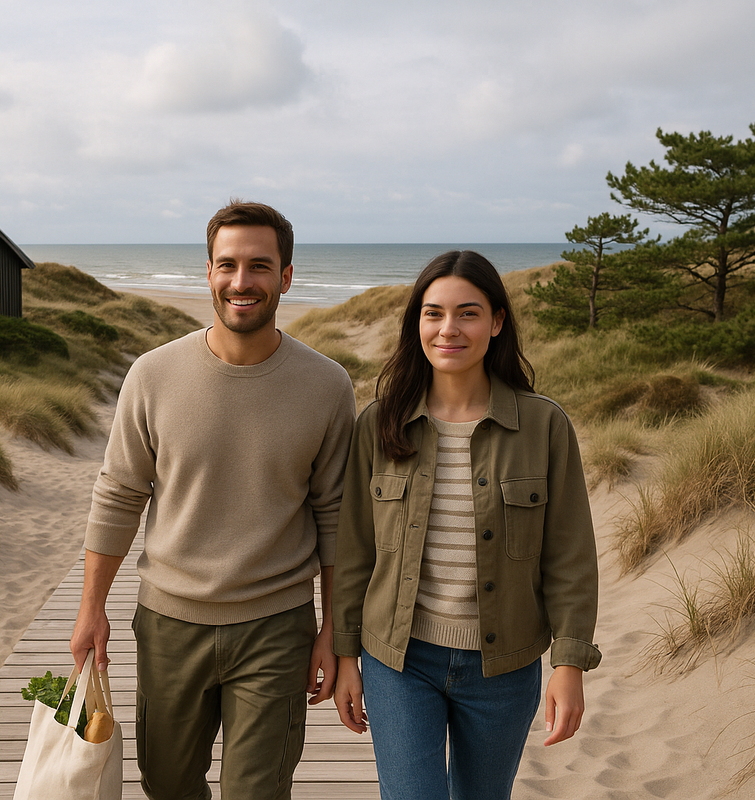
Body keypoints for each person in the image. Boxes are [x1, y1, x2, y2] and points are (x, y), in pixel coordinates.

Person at [70, 200, 356, 799]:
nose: (241, 281)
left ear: (286, 276)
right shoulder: (152, 375)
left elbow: (335, 516)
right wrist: (91, 607)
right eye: (227, 265)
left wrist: (334, 629)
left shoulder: (327, 386)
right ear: (208, 273)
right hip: (170, 621)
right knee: (168, 785)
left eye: (259, 265)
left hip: (276, 626)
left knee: (258, 791)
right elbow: (120, 493)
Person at [331, 250, 601, 800]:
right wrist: (345, 656)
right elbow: (355, 549)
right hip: (399, 660)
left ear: (497, 322)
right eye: (433, 314)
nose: (448, 329)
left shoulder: (544, 426)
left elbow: (570, 556)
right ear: (417, 324)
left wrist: (568, 663)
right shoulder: (378, 425)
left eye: (467, 313)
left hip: (504, 666)